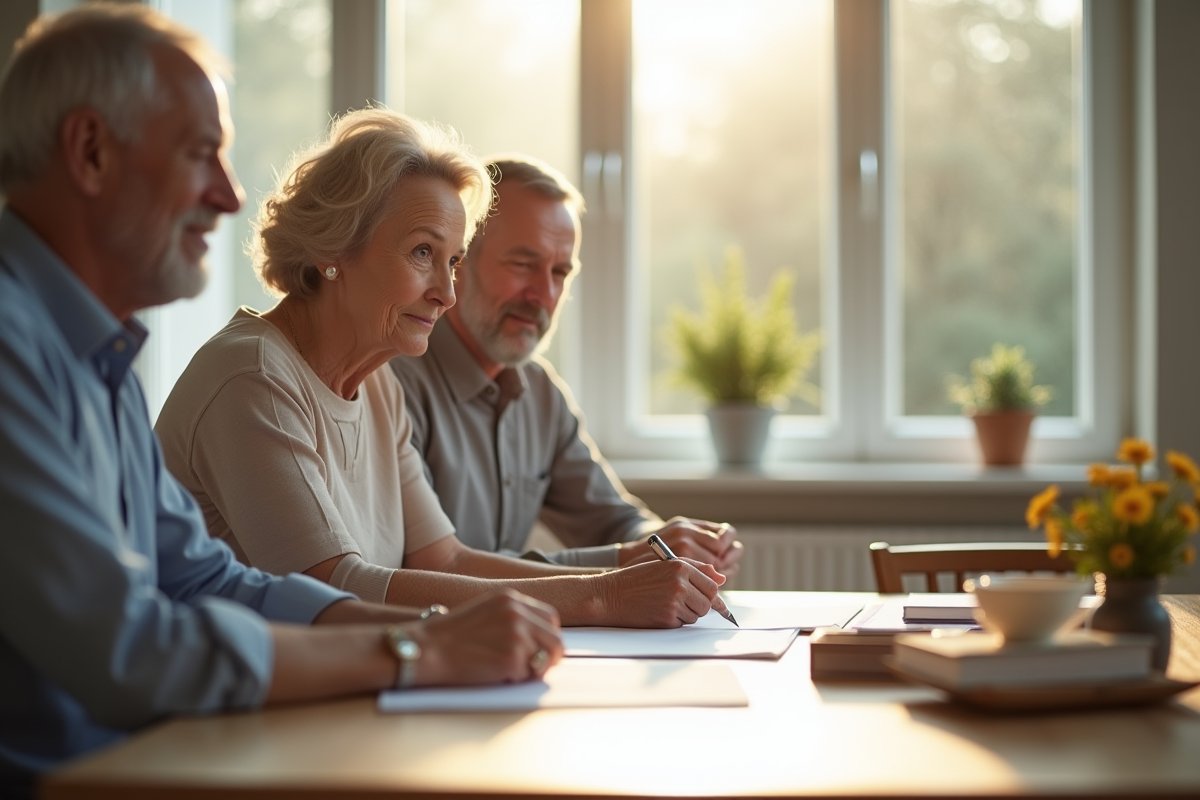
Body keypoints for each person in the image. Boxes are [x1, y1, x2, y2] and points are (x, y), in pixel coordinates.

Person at [0, 7, 561, 795]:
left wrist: (433, 629)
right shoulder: (14, 347)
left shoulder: (102, 355)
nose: (229, 196)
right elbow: (125, 650)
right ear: (90, 151)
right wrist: (422, 652)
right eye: (202, 155)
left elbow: (200, 578)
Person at [154, 108, 731, 629]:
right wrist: (601, 597)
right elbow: (333, 589)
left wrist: (611, 586)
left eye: (453, 261)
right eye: (422, 254)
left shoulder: (377, 382)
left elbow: (446, 559)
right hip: (219, 716)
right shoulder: (253, 377)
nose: (447, 294)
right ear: (333, 248)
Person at [389, 155, 746, 571]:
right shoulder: (395, 381)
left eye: (560, 273)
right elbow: (431, 569)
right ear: (458, 262)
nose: (543, 294)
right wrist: (625, 558)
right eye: (523, 265)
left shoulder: (540, 392)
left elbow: (613, 520)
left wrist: (670, 542)